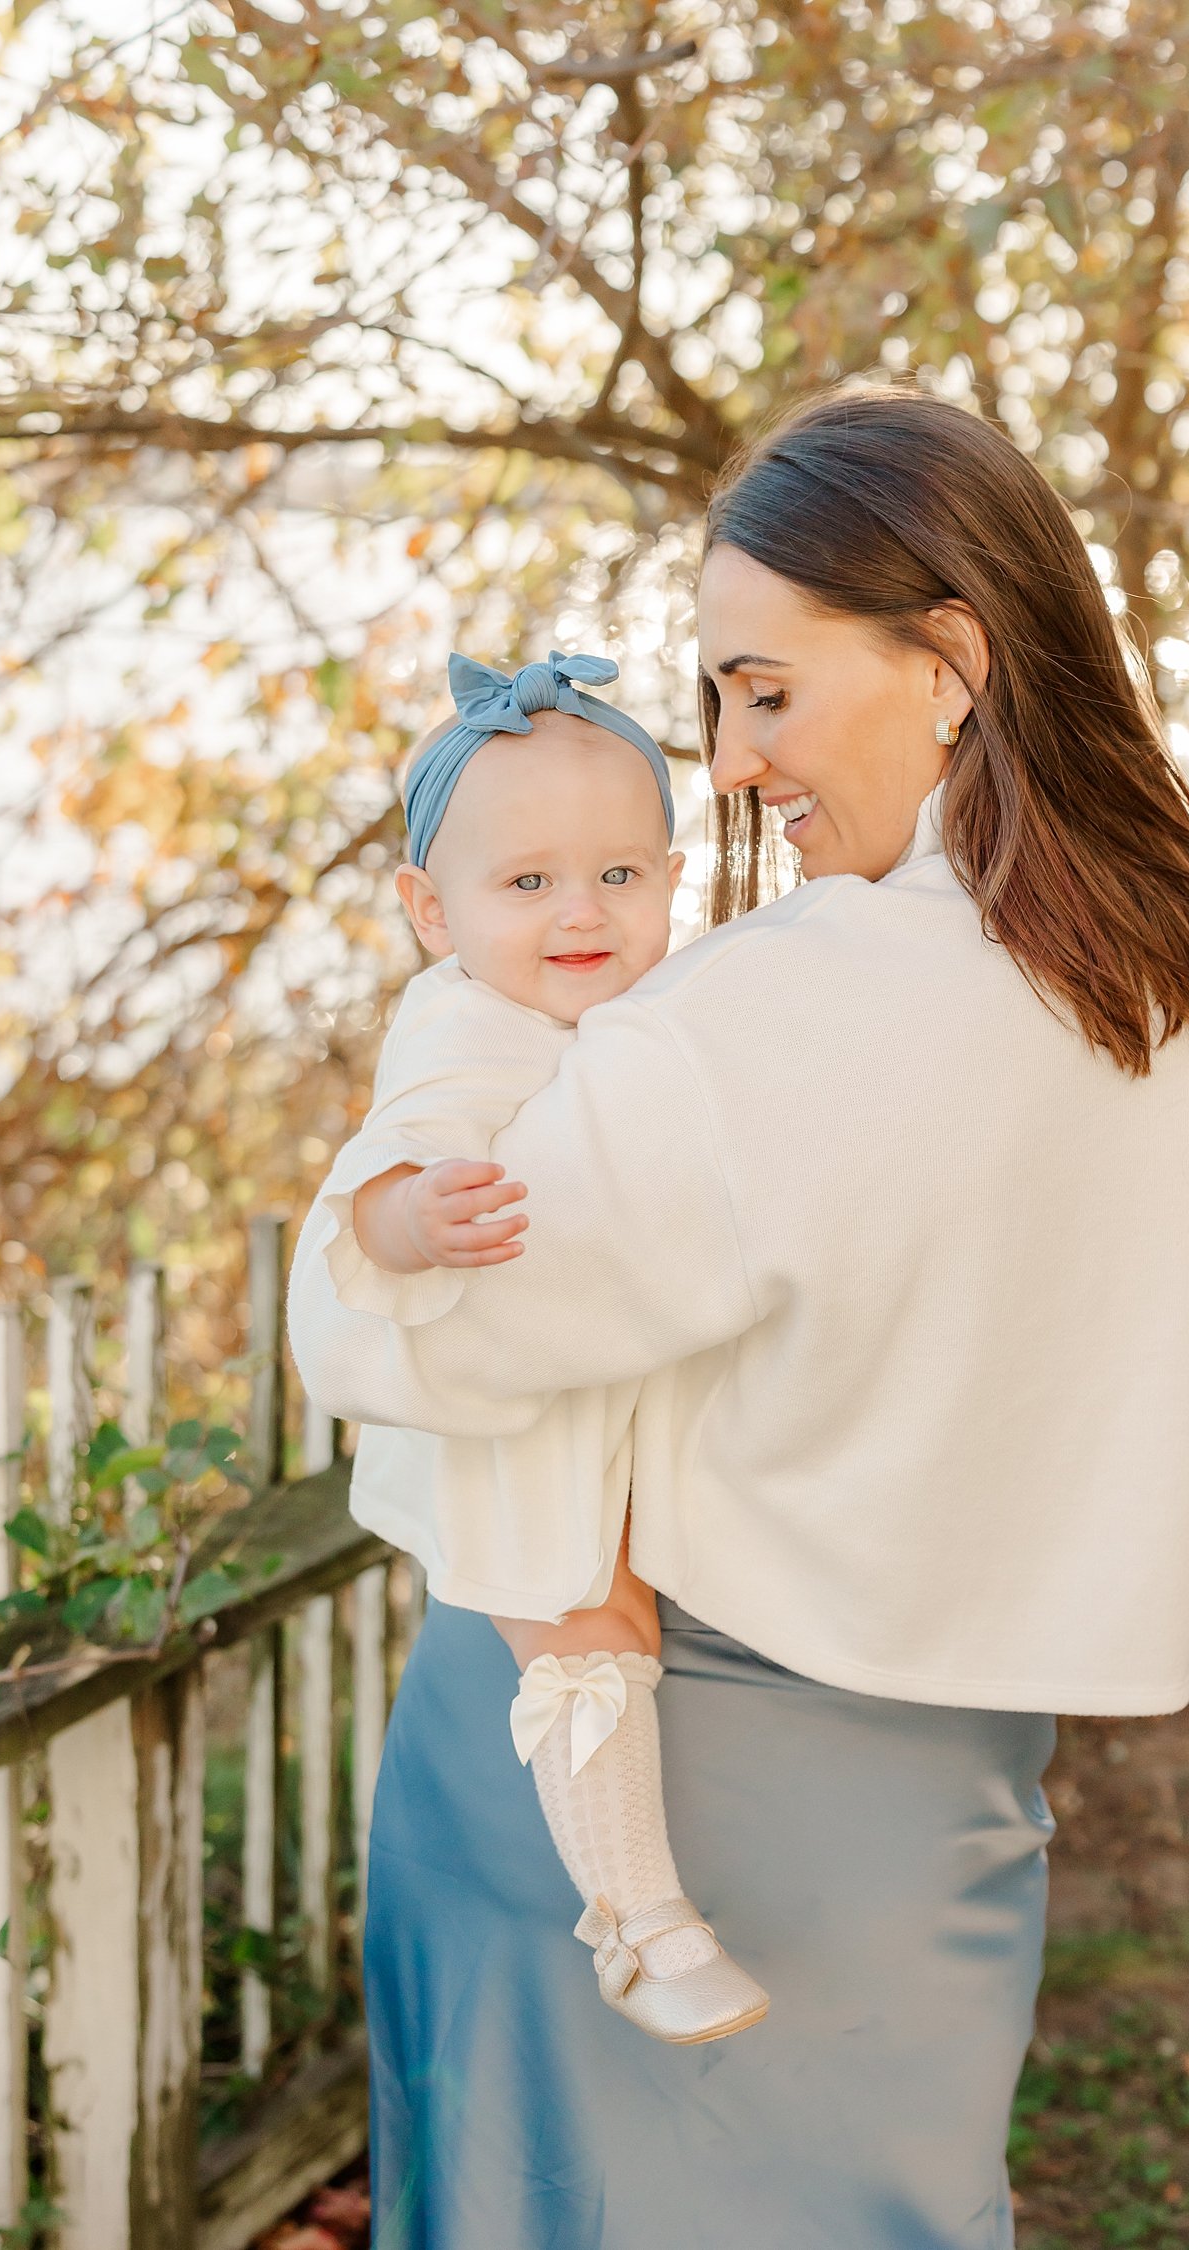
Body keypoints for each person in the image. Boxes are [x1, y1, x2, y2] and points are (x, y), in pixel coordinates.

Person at [288, 381, 1189, 2250]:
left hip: (632, 1786)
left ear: (951, 660)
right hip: (952, 1823)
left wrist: (382, 1197)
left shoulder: (758, 1020)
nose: (739, 760)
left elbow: (395, 1341)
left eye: (768, 688)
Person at [320, 646, 768, 2044]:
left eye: (621, 876)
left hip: (606, 1393)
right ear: (427, 908)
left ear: (670, 875)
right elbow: (373, 1181)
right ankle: (639, 1921)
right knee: (586, 1631)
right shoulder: (462, 1021)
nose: (582, 913)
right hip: (501, 1433)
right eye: (527, 884)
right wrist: (417, 1221)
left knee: (627, 1600)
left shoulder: (655, 1003)